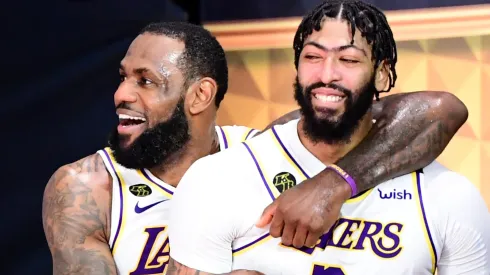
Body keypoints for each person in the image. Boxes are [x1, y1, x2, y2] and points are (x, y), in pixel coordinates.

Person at [42, 21, 468, 275]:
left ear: (199, 96)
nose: (121, 94)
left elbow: (439, 109)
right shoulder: (86, 188)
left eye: (145, 81)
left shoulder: (258, 150)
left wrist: (334, 183)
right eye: (122, 77)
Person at [166, 2, 490, 274]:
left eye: (348, 60)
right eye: (312, 57)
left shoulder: (448, 196)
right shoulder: (219, 178)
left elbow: (444, 107)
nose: (326, 75)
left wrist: (334, 183)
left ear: (383, 73)